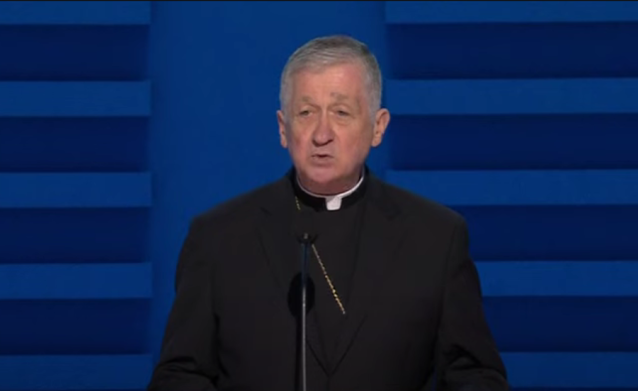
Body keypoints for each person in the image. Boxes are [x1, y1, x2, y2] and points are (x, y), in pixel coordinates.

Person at [147, 35, 509, 391]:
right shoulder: (218, 237)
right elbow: (179, 375)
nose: (322, 134)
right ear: (283, 128)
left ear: (378, 127)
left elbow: (474, 375)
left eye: (341, 112)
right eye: (305, 113)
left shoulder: (436, 237)